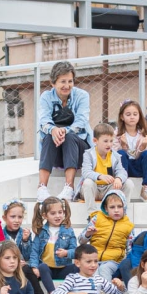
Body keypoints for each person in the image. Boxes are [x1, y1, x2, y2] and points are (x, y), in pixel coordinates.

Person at [37, 60, 92, 202]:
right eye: (62, 81)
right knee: (48, 137)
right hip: (55, 148)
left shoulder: (82, 96)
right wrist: (53, 130)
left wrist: (63, 132)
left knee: (70, 137)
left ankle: (69, 187)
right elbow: (43, 120)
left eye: (70, 81)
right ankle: (42, 188)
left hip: (79, 149)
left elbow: (81, 121)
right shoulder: (46, 97)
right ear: (53, 83)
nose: (67, 86)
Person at [28, 197, 78, 294]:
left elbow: (75, 251)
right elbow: (34, 252)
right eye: (53, 213)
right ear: (45, 215)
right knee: (42, 267)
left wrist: (67, 253)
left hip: (63, 268)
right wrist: (34, 267)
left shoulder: (68, 230)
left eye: (60, 212)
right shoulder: (41, 232)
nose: (58, 216)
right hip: (47, 270)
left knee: (78, 267)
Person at [80, 190, 134, 282]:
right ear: (106, 208)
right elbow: (81, 241)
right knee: (93, 270)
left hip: (114, 262)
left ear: (124, 207)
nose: (116, 210)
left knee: (104, 268)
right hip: (94, 259)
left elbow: (130, 249)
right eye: (112, 207)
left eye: (119, 206)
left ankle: (106, 293)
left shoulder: (128, 225)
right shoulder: (97, 218)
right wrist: (88, 234)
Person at [115, 101, 147, 202]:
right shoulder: (117, 134)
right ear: (122, 117)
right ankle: (122, 186)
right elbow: (114, 156)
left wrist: (143, 146)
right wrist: (123, 146)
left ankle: (146, 188)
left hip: (139, 166)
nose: (132, 117)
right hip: (124, 168)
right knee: (121, 153)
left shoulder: (144, 133)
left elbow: (138, 156)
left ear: (139, 116)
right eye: (128, 114)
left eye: (135, 114)